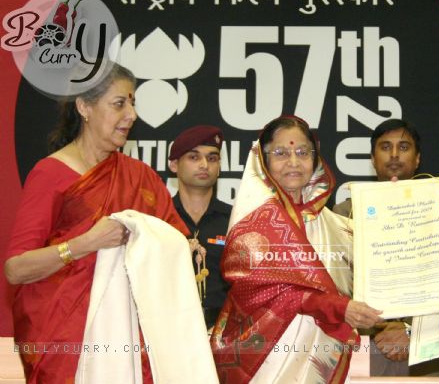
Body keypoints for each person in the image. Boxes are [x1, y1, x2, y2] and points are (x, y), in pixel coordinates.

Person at [3, 63, 189, 383]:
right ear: (85, 107)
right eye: (119, 104)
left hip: (131, 338)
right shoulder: (51, 175)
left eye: (132, 104)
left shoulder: (140, 177)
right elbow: (16, 269)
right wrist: (86, 243)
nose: (131, 114)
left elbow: (176, 243)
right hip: (67, 346)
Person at [210, 115, 383, 383]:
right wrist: (336, 308)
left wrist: (399, 204)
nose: (293, 162)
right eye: (280, 153)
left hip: (318, 353)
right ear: (263, 160)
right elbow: (261, 289)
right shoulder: (252, 223)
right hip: (266, 356)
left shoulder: (338, 226)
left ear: (315, 159)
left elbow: (379, 263)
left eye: (302, 152)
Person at [333, 118, 439, 377]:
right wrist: (384, 328)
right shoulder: (344, 213)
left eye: (403, 147)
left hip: (434, 344)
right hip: (369, 345)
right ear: (372, 158)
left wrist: (409, 330)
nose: (394, 154)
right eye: (385, 147)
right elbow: (339, 288)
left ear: (418, 159)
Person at [168, 125, 231, 330]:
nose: (204, 165)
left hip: (223, 333)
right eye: (194, 157)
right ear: (174, 164)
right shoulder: (158, 219)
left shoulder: (236, 220)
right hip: (168, 329)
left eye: (212, 158)